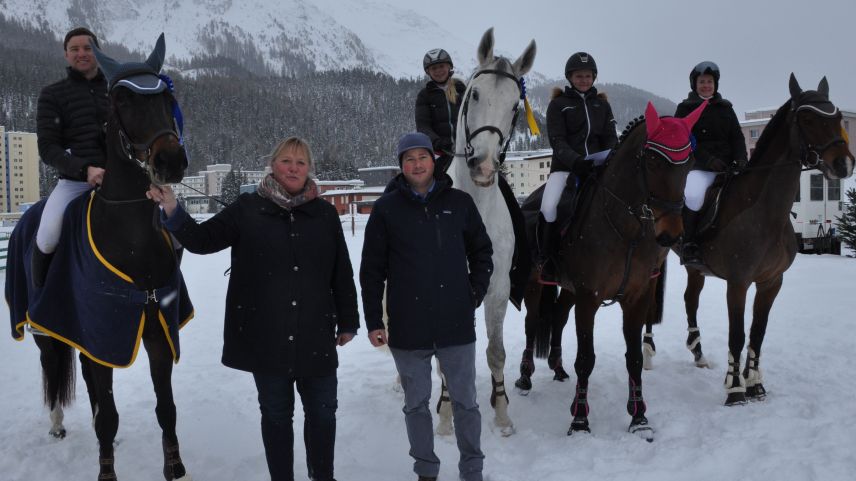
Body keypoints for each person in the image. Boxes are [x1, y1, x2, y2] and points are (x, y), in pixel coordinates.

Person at [147, 137, 359, 481]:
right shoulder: (248, 208)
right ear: (272, 165)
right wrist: (172, 208)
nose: (293, 168)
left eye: (301, 163)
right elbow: (201, 241)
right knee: (276, 415)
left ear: (309, 170)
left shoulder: (323, 213)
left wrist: (348, 320)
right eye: (286, 161)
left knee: (323, 414)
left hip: (316, 335)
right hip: (267, 337)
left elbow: (341, 271)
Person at [360, 132, 493, 481]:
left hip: (456, 325)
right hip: (408, 328)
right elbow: (371, 270)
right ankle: (426, 471)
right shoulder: (386, 209)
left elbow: (482, 252)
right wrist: (374, 319)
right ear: (401, 165)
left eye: (422, 157)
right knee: (416, 405)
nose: (416, 164)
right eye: (409, 159)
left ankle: (472, 469)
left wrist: (473, 294)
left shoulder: (460, 203)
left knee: (466, 403)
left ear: (434, 161)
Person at [33, 27, 109, 286]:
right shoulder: (52, 94)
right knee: (47, 235)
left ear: (97, 52)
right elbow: (48, 148)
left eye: (88, 48)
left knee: (168, 226)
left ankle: (167, 300)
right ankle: (41, 308)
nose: (82, 53)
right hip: (75, 184)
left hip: (120, 181)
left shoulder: (116, 91)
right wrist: (85, 170)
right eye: (74, 49)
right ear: (66, 55)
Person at [540, 52, 617, 284]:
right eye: (578, 76)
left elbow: (611, 138)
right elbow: (557, 141)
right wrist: (576, 161)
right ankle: (548, 261)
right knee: (549, 208)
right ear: (570, 77)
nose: (583, 80)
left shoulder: (602, 105)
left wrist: (608, 157)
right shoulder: (558, 104)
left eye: (587, 76)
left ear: (593, 77)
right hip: (566, 168)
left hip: (598, 167)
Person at [676, 61, 748, 265]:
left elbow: (737, 137)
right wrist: (708, 160)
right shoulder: (685, 108)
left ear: (715, 84)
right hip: (698, 166)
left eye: (709, 81)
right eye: (702, 82)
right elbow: (683, 140)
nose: (706, 85)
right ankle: (689, 242)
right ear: (694, 84)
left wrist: (741, 159)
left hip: (729, 165)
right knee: (694, 193)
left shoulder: (726, 108)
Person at [415, 48, 467, 174]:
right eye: (434, 68)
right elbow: (423, 126)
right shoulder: (425, 95)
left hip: (467, 149)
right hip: (441, 152)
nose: (438, 71)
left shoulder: (462, 90)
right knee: (431, 183)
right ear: (428, 72)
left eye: (441, 66)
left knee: (498, 180)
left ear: (449, 66)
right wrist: (438, 142)